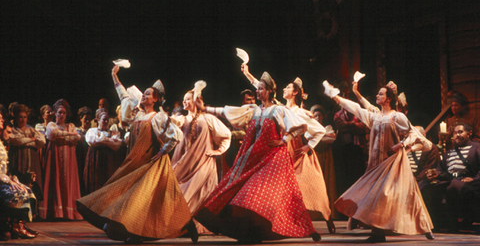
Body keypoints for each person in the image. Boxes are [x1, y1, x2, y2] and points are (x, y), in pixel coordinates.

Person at [76, 65, 196, 243]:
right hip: (134, 161)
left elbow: (175, 135)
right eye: (144, 93)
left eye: (148, 94)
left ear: (155, 99)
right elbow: (124, 96)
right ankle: (163, 228)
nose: (144, 95)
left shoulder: (157, 117)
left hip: (150, 163)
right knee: (127, 195)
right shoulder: (138, 115)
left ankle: (147, 231)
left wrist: (163, 151)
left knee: (141, 200)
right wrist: (114, 75)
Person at [196, 72, 320, 243]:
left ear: (269, 91)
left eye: (261, 89)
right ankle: (252, 232)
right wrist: (205, 109)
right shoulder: (254, 110)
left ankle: (302, 229)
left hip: (274, 158)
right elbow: (230, 111)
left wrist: (284, 139)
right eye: (258, 89)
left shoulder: (278, 110)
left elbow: (301, 126)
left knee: (254, 195)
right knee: (245, 195)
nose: (257, 92)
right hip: (255, 158)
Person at [324, 81, 434, 242]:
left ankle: (424, 228)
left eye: (381, 94)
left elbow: (413, 134)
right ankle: (378, 232)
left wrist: (402, 144)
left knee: (405, 196)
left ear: (389, 98)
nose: (377, 95)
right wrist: (335, 97)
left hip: (392, 163)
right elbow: (355, 108)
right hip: (375, 164)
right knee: (375, 196)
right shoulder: (373, 117)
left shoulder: (397, 116)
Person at [242, 64, 335, 232]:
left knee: (311, 189)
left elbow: (320, 130)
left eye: (288, 88)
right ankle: (278, 222)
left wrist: (309, 146)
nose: (284, 89)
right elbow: (262, 88)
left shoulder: (300, 113)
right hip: (282, 153)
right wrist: (248, 74)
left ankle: (326, 217)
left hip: (298, 154)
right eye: (284, 87)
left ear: (295, 92)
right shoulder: (279, 107)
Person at [171, 81, 231, 234]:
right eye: (184, 99)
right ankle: (182, 224)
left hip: (204, 163)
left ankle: (194, 224)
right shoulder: (183, 119)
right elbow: (171, 127)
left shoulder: (208, 119)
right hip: (186, 164)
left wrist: (219, 151)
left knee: (199, 194)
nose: (184, 101)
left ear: (196, 100)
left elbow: (226, 135)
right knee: (179, 192)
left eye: (188, 99)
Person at [420, 123, 480, 232]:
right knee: (425, 186)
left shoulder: (477, 147)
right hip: (450, 180)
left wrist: (475, 179)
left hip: (470, 181)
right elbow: (440, 168)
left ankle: (454, 224)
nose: (457, 135)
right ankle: (434, 223)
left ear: (469, 133)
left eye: (460, 132)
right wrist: (434, 174)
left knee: (454, 186)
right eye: (455, 133)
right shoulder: (450, 152)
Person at [40, 99, 83, 220]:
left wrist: (63, 137)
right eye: (59, 112)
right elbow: (52, 134)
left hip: (69, 156)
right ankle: (56, 212)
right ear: (55, 113)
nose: (61, 115)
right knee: (55, 179)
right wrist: (70, 135)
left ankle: (68, 212)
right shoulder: (51, 125)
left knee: (69, 180)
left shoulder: (71, 126)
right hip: (54, 154)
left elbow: (77, 138)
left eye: (64, 112)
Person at [0, 112, 38, 241]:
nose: (1, 120)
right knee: (17, 193)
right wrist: (8, 180)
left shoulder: (2, 142)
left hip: (3, 180)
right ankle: (10, 226)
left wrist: (13, 178)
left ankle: (19, 225)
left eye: (1, 118)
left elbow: (5, 167)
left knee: (27, 190)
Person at [83, 108, 125, 194]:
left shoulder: (112, 132)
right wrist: (108, 141)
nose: (106, 122)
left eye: (107, 119)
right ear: (98, 120)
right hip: (96, 159)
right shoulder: (92, 131)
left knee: (107, 179)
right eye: (104, 119)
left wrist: (104, 141)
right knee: (96, 180)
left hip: (108, 160)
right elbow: (93, 141)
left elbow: (116, 145)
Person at [8, 104, 46, 196]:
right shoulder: (13, 130)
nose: (23, 119)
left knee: (33, 184)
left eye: (25, 117)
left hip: (32, 160)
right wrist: (32, 139)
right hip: (18, 160)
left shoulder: (31, 130)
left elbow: (42, 142)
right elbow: (16, 140)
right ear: (16, 118)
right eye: (20, 117)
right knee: (19, 184)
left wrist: (25, 141)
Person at [332, 106, 368, 197]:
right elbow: (338, 124)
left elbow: (364, 128)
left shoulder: (360, 113)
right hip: (344, 149)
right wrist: (354, 125)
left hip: (358, 149)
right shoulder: (338, 114)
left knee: (358, 175)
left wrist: (346, 127)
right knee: (346, 177)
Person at [75, 107, 92, 196]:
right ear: (81, 119)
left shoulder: (92, 131)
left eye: (89, 119)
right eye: (85, 119)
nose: (88, 121)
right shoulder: (76, 131)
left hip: (88, 158)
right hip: (79, 158)